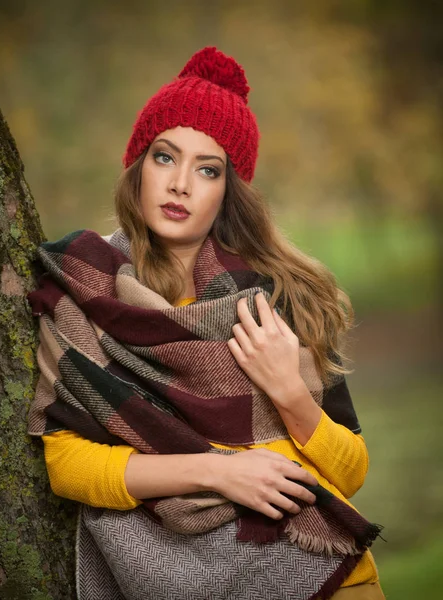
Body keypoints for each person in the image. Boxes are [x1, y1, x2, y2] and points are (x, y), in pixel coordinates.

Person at [28, 46, 385, 600]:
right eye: (165, 157)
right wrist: (217, 472)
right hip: (170, 573)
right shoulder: (82, 286)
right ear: (139, 166)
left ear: (228, 191)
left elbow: (351, 469)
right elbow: (67, 463)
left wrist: (288, 390)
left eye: (208, 169)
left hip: (320, 575)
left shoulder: (273, 296)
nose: (180, 185)